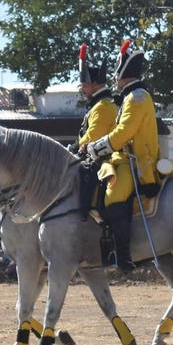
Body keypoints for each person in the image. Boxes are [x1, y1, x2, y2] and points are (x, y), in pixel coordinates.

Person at [82, 39, 160, 274]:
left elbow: (124, 132)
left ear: (124, 73)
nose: (114, 78)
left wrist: (96, 147)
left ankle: (123, 256)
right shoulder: (130, 96)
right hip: (123, 158)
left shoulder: (136, 97)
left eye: (117, 74)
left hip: (135, 162)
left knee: (112, 195)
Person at [73, 45, 118, 225]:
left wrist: (75, 146)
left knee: (86, 173)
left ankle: (88, 212)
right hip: (94, 152)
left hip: (105, 155)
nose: (82, 89)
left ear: (96, 84)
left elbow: (93, 136)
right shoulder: (97, 105)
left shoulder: (104, 106)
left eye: (85, 85)